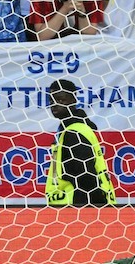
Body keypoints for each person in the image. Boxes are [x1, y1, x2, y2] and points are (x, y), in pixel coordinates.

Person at [44, 78, 116, 207]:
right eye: (51, 100)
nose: (54, 105)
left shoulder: (74, 133)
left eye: (60, 100)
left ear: (73, 100)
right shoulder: (67, 129)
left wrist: (94, 207)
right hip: (71, 205)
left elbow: (86, 176)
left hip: (79, 207)